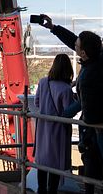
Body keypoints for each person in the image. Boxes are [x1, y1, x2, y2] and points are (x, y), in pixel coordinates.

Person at [40, 15, 103, 187]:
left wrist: (71, 114)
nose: (75, 47)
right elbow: (75, 41)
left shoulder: (88, 76)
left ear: (83, 53)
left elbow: (90, 115)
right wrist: (54, 28)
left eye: (77, 47)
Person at [34, 53, 75, 194]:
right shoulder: (66, 89)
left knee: (42, 162)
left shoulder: (43, 82)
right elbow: (68, 111)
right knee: (55, 164)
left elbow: (37, 102)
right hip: (58, 131)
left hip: (43, 127)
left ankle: (40, 190)